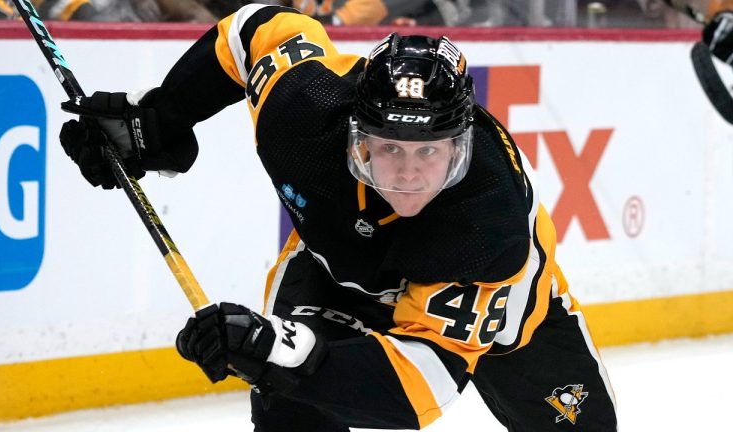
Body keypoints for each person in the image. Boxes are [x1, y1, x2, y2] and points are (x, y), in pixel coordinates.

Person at [58, 4, 618, 430]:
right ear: (355, 135)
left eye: (428, 150)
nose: (407, 173)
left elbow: (422, 383)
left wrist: (274, 348)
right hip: (336, 278)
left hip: (508, 320)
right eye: (389, 146)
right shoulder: (303, 114)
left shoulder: (487, 228)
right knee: (289, 408)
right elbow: (256, 28)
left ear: (460, 148)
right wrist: (159, 115)